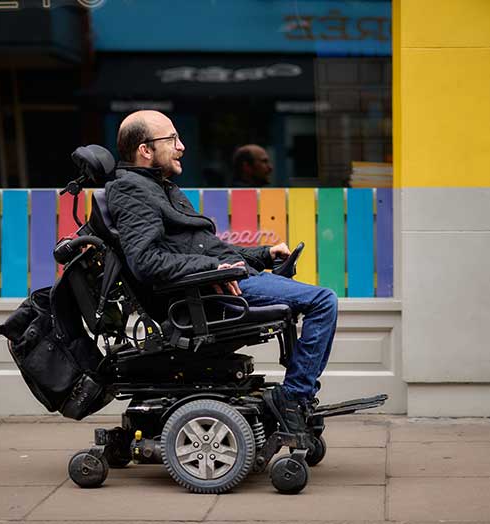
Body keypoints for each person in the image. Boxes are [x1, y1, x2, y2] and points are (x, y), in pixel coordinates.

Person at [104, 110, 338, 435]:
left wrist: (263, 255)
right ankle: (293, 398)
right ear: (145, 149)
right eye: (172, 139)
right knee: (323, 302)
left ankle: (296, 395)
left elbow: (205, 248)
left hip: (223, 283)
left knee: (318, 299)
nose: (181, 146)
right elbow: (145, 262)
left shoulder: (157, 187)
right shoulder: (132, 191)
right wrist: (214, 269)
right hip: (209, 297)